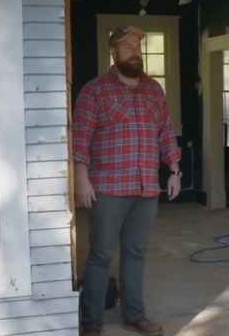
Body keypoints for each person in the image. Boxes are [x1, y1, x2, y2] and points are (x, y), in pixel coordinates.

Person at [74, 25, 182, 336]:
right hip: (108, 187)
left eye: (137, 46)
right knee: (100, 254)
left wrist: (174, 171)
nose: (134, 51)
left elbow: (165, 132)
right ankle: (91, 322)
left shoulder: (154, 90)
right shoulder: (95, 90)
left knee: (136, 252)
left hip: (147, 187)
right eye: (127, 47)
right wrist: (82, 180)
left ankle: (134, 314)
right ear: (114, 52)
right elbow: (81, 139)